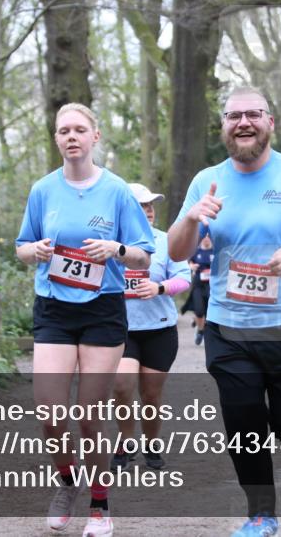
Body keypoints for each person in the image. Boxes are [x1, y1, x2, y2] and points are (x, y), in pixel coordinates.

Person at [168, 86, 281, 537]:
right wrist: (191, 218)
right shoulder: (206, 181)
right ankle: (262, 514)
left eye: (253, 114)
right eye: (234, 116)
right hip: (229, 326)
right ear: (224, 127)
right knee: (243, 418)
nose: (243, 122)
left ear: (270, 122)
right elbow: (175, 250)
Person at [16, 103, 155, 537]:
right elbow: (21, 246)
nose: (71, 136)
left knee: (90, 415)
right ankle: (67, 482)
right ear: (56, 139)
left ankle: (99, 503)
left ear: (95, 136)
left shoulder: (116, 191)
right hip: (54, 308)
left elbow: (144, 256)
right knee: (50, 414)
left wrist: (115, 250)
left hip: (102, 309)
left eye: (79, 129)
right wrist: (34, 251)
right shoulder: (42, 190)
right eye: (63, 130)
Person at [110, 182, 191, 471]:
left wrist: (159, 287)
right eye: (140, 206)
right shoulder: (111, 243)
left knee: (151, 394)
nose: (148, 211)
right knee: (122, 385)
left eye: (150, 205)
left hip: (159, 329)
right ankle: (125, 441)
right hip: (121, 329)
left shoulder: (166, 242)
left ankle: (152, 443)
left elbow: (184, 279)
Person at [182, 231, 214, 345]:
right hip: (198, 285)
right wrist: (192, 266)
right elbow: (188, 263)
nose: (206, 239)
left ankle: (202, 328)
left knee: (207, 312)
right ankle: (200, 330)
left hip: (211, 286)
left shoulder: (215, 252)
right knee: (199, 310)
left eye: (208, 237)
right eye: (204, 237)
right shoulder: (196, 251)